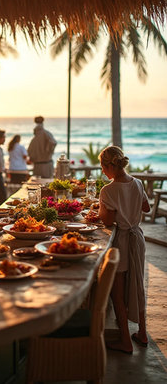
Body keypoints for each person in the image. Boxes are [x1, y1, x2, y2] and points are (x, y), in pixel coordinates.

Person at [98, 146, 150, 354]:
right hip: (137, 238)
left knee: (117, 293)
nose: (103, 172)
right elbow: (145, 208)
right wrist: (130, 205)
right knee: (137, 285)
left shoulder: (108, 190)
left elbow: (109, 220)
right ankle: (143, 333)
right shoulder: (137, 183)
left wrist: (102, 209)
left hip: (121, 241)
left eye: (103, 167)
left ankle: (125, 341)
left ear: (109, 166)